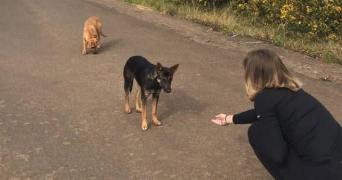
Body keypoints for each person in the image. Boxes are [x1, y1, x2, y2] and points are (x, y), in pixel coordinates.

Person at [212, 49, 342, 180]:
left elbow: (277, 155)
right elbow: (263, 114)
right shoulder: (294, 91)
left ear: (252, 75)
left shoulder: (264, 98)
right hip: (337, 160)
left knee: (256, 131)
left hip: (323, 173)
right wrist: (229, 119)